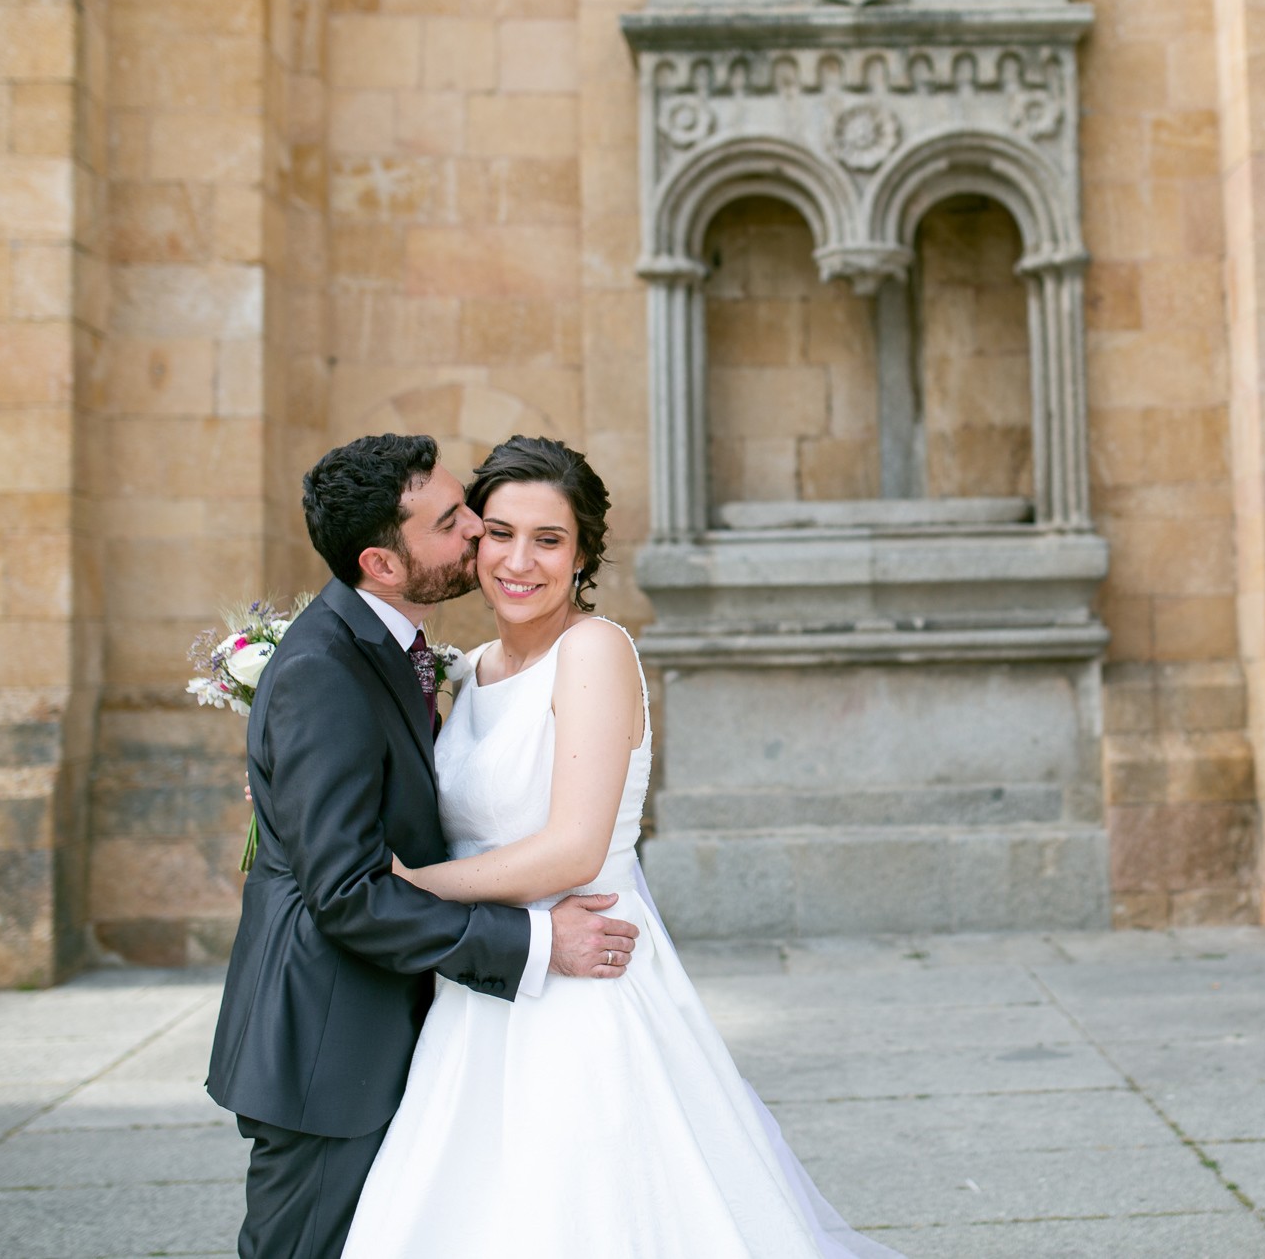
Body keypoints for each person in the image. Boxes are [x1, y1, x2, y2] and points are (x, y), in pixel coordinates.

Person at [341, 435, 900, 1258]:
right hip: (484, 984)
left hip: (582, 979)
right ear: (473, 540)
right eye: (499, 533)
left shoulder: (595, 651)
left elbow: (572, 849)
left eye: (548, 539)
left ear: (583, 554)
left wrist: (416, 882)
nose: (518, 560)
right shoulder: (466, 671)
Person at [207, 434, 641, 1259]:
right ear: (382, 562)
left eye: (543, 536)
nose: (481, 534)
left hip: (450, 1019)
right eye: (458, 521)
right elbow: (349, 891)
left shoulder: (420, 657)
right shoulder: (327, 669)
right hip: (329, 1045)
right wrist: (539, 938)